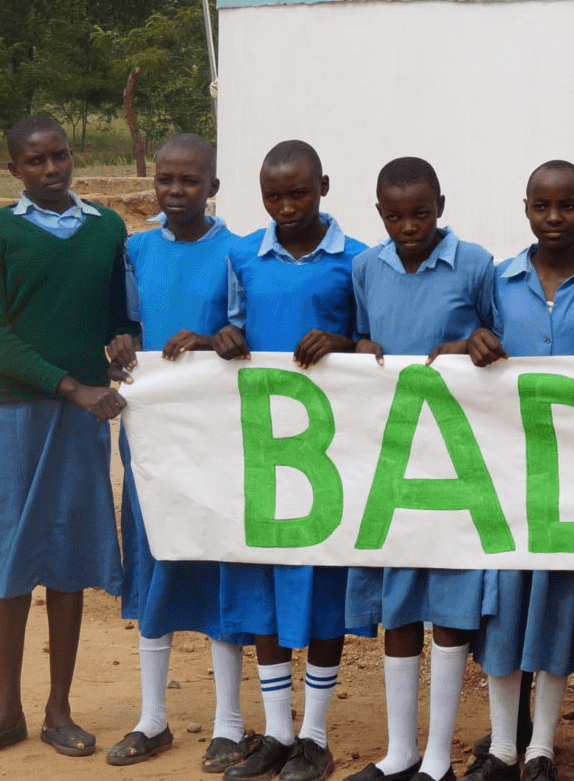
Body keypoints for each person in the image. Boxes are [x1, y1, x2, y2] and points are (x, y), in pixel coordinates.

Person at [0, 115, 126, 762]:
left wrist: (125, 334)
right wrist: (74, 387)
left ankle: (58, 709)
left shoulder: (106, 227)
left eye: (61, 156)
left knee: (70, 555)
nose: (52, 169)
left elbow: (115, 313)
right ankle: (7, 710)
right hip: (10, 413)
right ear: (14, 168)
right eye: (36, 160)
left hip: (78, 415)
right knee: (11, 557)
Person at [210, 139, 370, 781]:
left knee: (322, 589)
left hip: (329, 455)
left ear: (324, 186)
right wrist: (225, 338)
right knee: (264, 589)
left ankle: (315, 734)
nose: (286, 206)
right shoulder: (243, 255)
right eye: (274, 196)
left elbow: (370, 343)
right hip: (263, 453)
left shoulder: (356, 261)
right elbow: (233, 329)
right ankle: (275, 733)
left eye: (298, 193)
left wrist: (341, 341)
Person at [461, 160, 574, 781]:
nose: (554, 219)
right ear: (525, 208)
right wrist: (475, 338)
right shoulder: (498, 283)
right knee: (503, 605)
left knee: (554, 604)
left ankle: (542, 748)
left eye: (567, 206)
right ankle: (504, 746)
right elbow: (472, 344)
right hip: (504, 470)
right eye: (541, 207)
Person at [342, 157, 499, 781]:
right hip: (394, 456)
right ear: (379, 214)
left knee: (453, 603)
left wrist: (473, 345)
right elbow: (359, 338)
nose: (409, 226)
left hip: (459, 459)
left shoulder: (476, 264)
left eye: (421, 213)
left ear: (441, 204)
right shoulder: (365, 267)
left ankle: (439, 755)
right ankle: (400, 749)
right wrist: (358, 349)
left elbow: (498, 340)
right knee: (399, 599)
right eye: (395, 216)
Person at [108, 134, 249, 769]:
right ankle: (152, 717)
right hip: (153, 438)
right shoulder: (134, 250)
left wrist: (225, 338)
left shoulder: (237, 254)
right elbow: (125, 327)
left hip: (217, 440)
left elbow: (246, 333)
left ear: (213, 187)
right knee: (156, 561)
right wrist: (117, 342)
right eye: (165, 179)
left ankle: (229, 721)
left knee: (220, 564)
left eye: (189, 181)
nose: (174, 191)